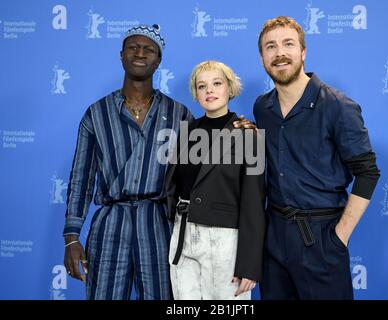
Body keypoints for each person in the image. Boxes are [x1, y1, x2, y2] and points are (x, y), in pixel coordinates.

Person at [63, 24, 254, 300]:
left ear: (159, 60)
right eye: (133, 47)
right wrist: (71, 236)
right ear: (121, 55)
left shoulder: (179, 115)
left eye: (148, 49)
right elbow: (80, 179)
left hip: (158, 224)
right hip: (110, 224)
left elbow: (209, 166)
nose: (140, 53)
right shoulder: (97, 114)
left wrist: (239, 128)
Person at [254, 16, 380, 300]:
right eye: (270, 47)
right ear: (262, 57)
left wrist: (339, 237)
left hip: (320, 238)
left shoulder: (338, 106)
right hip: (273, 237)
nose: (280, 53)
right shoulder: (262, 107)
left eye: (288, 44)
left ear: (303, 52)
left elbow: (368, 173)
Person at [165, 61, 266, 300]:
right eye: (202, 86)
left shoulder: (249, 134)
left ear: (229, 88)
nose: (209, 90)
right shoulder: (187, 131)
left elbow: (254, 202)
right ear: (196, 93)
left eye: (216, 83)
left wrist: (249, 264)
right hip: (183, 235)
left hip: (225, 241)